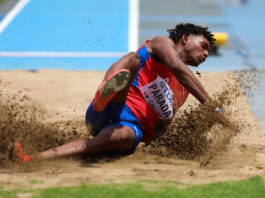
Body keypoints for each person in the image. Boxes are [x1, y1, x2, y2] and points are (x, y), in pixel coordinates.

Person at [16, 23, 239, 162]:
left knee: (104, 142)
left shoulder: (182, 90)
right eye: (204, 46)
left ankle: (31, 159)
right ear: (185, 39)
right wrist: (216, 111)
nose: (207, 54)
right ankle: (106, 91)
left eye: (209, 51)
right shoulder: (163, 45)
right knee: (132, 60)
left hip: (130, 129)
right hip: (113, 105)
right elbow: (177, 68)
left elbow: (163, 126)